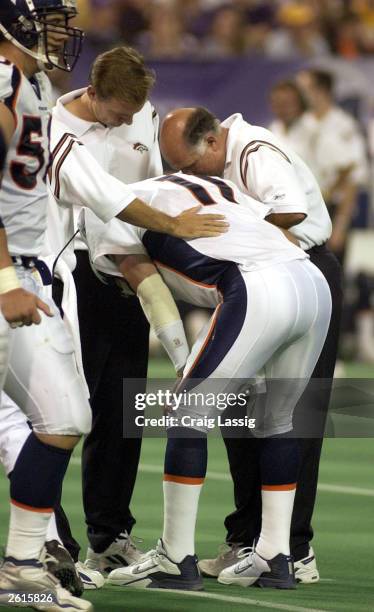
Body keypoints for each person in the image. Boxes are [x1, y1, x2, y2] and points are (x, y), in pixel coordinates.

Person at [77, 171, 331, 590]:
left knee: (184, 413)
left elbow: (152, 292)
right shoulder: (210, 185)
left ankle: (175, 557)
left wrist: (181, 361)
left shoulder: (108, 207)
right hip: (310, 281)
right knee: (278, 420)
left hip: (257, 286)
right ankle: (274, 555)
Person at [159, 106, 343, 583]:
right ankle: (249, 542)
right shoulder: (225, 157)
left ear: (214, 142)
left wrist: (238, 221)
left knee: (292, 417)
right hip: (260, 285)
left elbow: (291, 210)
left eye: (187, 164)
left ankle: (295, 549)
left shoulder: (254, 149)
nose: (184, 176)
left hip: (300, 271)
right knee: (241, 418)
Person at [0, 1, 93, 609]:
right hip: (12, 278)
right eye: (50, 22)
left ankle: (24, 564)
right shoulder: (5, 80)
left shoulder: (29, 83)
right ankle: (22, 565)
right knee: (61, 417)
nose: (61, 35)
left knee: (63, 418)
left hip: (30, 273)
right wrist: (5, 275)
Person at [296, 68, 368, 263]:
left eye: (304, 89)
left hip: (332, 209)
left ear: (321, 91)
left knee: (332, 279)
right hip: (301, 209)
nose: (298, 95)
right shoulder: (300, 124)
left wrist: (340, 224)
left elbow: (354, 177)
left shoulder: (343, 125)